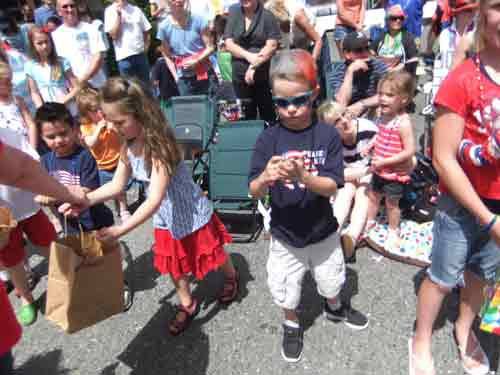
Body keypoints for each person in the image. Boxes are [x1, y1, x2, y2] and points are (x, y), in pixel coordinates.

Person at [62, 77, 239, 336]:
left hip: (188, 211)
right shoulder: (128, 144)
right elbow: (116, 186)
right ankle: (188, 304)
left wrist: (120, 230)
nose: (111, 127)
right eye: (108, 120)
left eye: (119, 122)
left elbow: (154, 198)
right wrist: (84, 200)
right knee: (174, 265)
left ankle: (231, 275)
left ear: (140, 114)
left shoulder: (160, 146)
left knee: (212, 252)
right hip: (165, 218)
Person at [248, 49, 368, 363]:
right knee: (286, 285)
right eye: (281, 102)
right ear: (273, 99)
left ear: (315, 94)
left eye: (298, 100)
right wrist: (266, 177)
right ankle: (291, 322)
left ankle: (334, 305)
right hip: (285, 234)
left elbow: (333, 185)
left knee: (331, 278)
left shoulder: (326, 135)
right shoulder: (268, 139)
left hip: (323, 230)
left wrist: (303, 175)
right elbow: (253, 189)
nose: (290, 109)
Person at [410, 0, 500, 374]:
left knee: (482, 274)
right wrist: (490, 222)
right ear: (481, 12)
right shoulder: (461, 79)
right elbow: (444, 158)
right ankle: (421, 337)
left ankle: (465, 329)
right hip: (463, 205)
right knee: (444, 277)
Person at [0, 126, 56, 327]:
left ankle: (68, 274)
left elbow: (33, 160)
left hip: (28, 203)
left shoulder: (9, 134)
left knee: (48, 242)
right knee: (11, 259)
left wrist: (45, 187)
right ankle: (26, 297)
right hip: (1, 218)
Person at [35, 102, 114, 235]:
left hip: (95, 220)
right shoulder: (45, 161)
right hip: (70, 224)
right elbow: (44, 190)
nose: (59, 140)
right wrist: (41, 196)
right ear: (42, 138)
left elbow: (88, 189)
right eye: (51, 137)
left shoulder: (85, 157)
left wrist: (53, 197)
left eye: (63, 133)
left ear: (74, 129)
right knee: (79, 254)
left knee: (105, 252)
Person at [317, 100, 378, 260]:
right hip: (354, 173)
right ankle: (332, 234)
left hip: (373, 171)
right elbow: (336, 174)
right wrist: (362, 171)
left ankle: (351, 237)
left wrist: (366, 172)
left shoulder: (368, 129)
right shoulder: (330, 143)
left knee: (363, 193)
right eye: (336, 121)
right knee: (345, 191)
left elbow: (381, 161)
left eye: (344, 114)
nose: (344, 121)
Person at [364, 70, 416, 251]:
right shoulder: (383, 116)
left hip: (394, 172)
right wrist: (370, 145)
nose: (383, 99)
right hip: (379, 169)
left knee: (392, 204)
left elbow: (410, 150)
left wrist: (385, 162)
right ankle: (369, 221)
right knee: (373, 196)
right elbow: (379, 135)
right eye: (380, 94)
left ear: (403, 99)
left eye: (389, 95)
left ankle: (393, 231)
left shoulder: (403, 122)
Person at [77, 86, 130, 221]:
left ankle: (124, 210)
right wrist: (98, 130)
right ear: (86, 113)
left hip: (117, 160)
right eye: (95, 111)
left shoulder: (110, 121)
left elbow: (123, 137)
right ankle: (116, 207)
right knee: (109, 188)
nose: (100, 113)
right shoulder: (86, 127)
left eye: (100, 109)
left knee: (120, 188)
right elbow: (90, 144)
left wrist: (115, 129)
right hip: (101, 165)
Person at [224, 0, 281, 122]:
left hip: (262, 76)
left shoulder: (267, 16)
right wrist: (248, 56)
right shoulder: (234, 13)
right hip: (239, 76)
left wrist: (253, 66)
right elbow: (228, 44)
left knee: (268, 116)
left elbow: (271, 46)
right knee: (245, 118)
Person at [156, 0, 216, 96]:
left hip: (205, 74)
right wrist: (176, 77)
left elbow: (210, 47)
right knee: (189, 110)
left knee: (209, 109)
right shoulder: (164, 27)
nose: (178, 1)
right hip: (184, 79)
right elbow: (167, 55)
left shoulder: (199, 20)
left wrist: (197, 60)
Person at [329, 31, 389, 117]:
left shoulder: (377, 65)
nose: (365, 53)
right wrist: (349, 72)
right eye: (359, 50)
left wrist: (362, 104)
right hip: (348, 113)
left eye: (367, 48)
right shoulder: (338, 72)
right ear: (347, 54)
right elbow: (341, 103)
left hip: (371, 109)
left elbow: (389, 94)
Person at [52, 0, 108, 89]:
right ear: (59, 11)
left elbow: (98, 57)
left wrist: (82, 80)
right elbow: (56, 64)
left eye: (72, 6)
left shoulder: (90, 29)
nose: (69, 9)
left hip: (97, 84)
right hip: (74, 89)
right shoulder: (54, 36)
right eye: (65, 6)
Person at [26, 26, 80, 116]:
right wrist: (41, 109)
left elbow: (77, 87)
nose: (45, 46)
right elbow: (34, 92)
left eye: (47, 41)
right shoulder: (30, 66)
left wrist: (63, 101)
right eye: (40, 43)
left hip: (67, 107)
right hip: (48, 111)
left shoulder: (60, 62)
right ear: (33, 45)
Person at [104, 0, 152, 84]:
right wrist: (119, 16)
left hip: (140, 56)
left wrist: (145, 49)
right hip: (124, 59)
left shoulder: (136, 10)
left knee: (146, 89)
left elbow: (146, 31)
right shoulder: (109, 11)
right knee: (130, 92)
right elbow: (114, 36)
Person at [370, 5, 419, 74]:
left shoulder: (408, 38)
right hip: (381, 73)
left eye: (401, 18)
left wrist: (395, 69)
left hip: (400, 75)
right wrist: (379, 65)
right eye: (394, 18)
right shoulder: (382, 36)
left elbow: (413, 59)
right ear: (387, 20)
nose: (398, 20)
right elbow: (371, 52)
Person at [0, 62, 37, 150]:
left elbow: (31, 125)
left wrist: (32, 148)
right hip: (9, 151)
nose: (11, 84)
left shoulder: (17, 100)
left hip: (26, 146)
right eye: (6, 82)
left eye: (10, 81)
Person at [438, 0, 478, 71]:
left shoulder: (477, 33)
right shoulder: (446, 34)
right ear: (458, 13)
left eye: (474, 10)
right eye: (468, 10)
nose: (473, 13)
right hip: (452, 75)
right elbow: (446, 62)